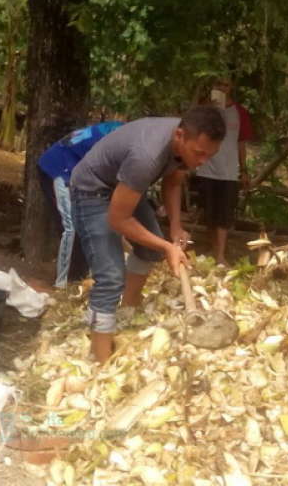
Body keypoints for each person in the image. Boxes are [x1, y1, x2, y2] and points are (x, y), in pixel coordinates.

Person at [69, 106, 226, 363]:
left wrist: (175, 227)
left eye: (210, 155)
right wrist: (168, 247)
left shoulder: (188, 142)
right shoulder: (147, 156)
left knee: (150, 248)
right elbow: (118, 219)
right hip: (93, 190)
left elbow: (173, 182)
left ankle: (127, 313)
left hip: (125, 187)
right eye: (199, 153)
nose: (202, 162)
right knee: (110, 278)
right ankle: (100, 360)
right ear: (179, 135)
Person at [38, 121, 124, 289]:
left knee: (88, 222)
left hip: (77, 167)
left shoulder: (123, 132)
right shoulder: (119, 146)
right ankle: (61, 284)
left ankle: (81, 276)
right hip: (60, 168)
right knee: (70, 227)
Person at [193, 79, 253, 266]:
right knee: (210, 213)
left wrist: (243, 170)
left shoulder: (239, 113)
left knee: (225, 214)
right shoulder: (206, 110)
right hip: (206, 168)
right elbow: (191, 128)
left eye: (225, 85)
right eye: (217, 84)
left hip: (228, 171)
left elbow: (241, 143)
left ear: (231, 87)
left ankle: (220, 256)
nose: (221, 88)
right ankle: (214, 250)